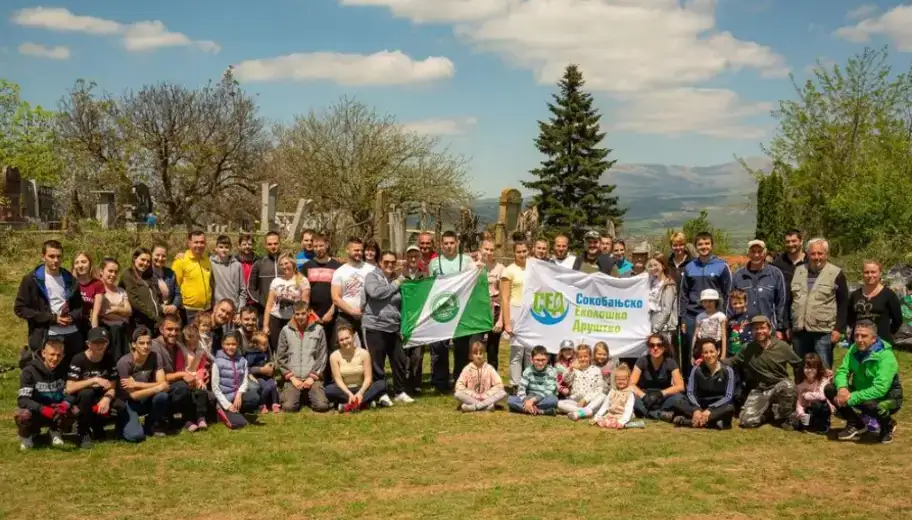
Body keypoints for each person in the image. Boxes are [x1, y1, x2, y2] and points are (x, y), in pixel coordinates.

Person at [827, 319, 902, 443]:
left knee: (873, 404)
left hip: (888, 398)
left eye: (864, 336)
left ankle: (887, 425)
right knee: (830, 389)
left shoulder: (886, 357)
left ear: (874, 338)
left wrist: (850, 398)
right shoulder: (853, 349)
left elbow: (880, 389)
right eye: (856, 335)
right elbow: (842, 371)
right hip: (861, 392)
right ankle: (856, 424)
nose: (859, 340)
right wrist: (842, 388)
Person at [15, 240, 85, 368]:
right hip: (46, 333)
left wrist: (72, 317)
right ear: (43, 257)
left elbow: (79, 307)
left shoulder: (70, 279)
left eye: (59, 256)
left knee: (73, 371)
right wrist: (52, 318)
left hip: (72, 332)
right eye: (51, 256)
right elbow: (20, 308)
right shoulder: (31, 280)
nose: (56, 260)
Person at [724, 315, 801, 429]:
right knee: (746, 421)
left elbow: (799, 364)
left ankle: (786, 417)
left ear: (769, 329)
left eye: (762, 328)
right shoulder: (748, 348)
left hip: (778, 387)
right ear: (752, 331)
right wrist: (714, 362)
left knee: (788, 386)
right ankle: (767, 412)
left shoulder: (782, 346)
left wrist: (822, 372)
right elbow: (733, 361)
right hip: (760, 390)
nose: (759, 331)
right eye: (756, 328)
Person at [428, 230, 477, 391]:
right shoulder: (435, 263)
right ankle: (440, 382)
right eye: (446, 243)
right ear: (442, 245)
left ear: (457, 243)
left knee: (461, 348)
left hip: (462, 310)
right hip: (441, 310)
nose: (449, 246)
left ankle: (460, 381)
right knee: (439, 347)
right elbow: (430, 286)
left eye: (452, 243)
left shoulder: (467, 261)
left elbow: (474, 281)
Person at [679, 232, 732, 376]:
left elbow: (728, 292)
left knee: (714, 350)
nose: (704, 247)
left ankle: (716, 380)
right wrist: (683, 318)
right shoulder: (689, 267)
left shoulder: (722, 266)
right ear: (695, 247)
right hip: (692, 315)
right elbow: (683, 294)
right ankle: (691, 382)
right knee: (692, 351)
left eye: (707, 243)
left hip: (714, 315)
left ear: (712, 245)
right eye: (700, 244)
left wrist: (726, 316)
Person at [790, 237, 848, 369]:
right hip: (800, 331)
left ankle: (824, 390)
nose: (816, 257)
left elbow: (843, 303)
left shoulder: (836, 273)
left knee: (823, 369)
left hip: (823, 331)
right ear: (807, 254)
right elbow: (790, 299)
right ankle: (801, 390)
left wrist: (838, 329)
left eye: (820, 253)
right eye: (813, 253)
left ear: (826, 254)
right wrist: (788, 325)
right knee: (800, 368)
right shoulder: (798, 271)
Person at [363, 251, 411, 404]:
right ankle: (380, 393)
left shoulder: (396, 279)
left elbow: (403, 303)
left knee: (399, 360)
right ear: (379, 263)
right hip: (375, 325)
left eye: (393, 262)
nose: (390, 265)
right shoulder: (372, 277)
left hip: (394, 327)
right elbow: (376, 293)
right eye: (386, 262)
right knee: (377, 363)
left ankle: (399, 392)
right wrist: (396, 284)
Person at [66, 327, 122, 448]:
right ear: (88, 344)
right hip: (81, 399)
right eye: (96, 342)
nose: (100, 345)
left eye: (103, 342)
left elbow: (112, 387)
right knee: (87, 393)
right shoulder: (79, 359)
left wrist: (106, 398)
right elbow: (69, 388)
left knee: (120, 404)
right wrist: (94, 380)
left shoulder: (109, 358)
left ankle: (100, 427)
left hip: (101, 397)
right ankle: (83, 431)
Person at [15, 338, 74, 450]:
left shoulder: (66, 370)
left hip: (56, 410)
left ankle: (55, 432)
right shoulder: (29, 371)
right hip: (37, 410)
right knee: (21, 414)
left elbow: (73, 393)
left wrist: (65, 404)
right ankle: (27, 436)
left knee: (75, 409)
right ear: (43, 353)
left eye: (59, 355)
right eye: (52, 354)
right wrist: (41, 408)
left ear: (63, 355)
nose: (55, 358)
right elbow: (22, 400)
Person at [117, 327, 170, 442]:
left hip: (146, 398)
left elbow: (163, 384)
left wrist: (137, 384)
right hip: (129, 403)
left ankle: (152, 423)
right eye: (141, 343)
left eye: (148, 343)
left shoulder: (156, 356)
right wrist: (158, 387)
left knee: (162, 396)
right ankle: (123, 424)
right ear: (134, 345)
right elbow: (133, 395)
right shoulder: (124, 362)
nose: (146, 346)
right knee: (136, 437)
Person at [276, 301, 332, 412]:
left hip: (312, 378)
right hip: (293, 378)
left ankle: (307, 395)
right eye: (297, 314)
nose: (300, 317)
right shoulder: (285, 331)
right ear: (293, 314)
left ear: (309, 313)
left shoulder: (319, 330)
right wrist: (292, 378)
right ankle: (296, 394)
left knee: (322, 406)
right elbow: (281, 357)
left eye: (303, 313)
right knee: (288, 407)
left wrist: (312, 377)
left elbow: (322, 356)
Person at [672, 339, 735, 429]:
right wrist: (697, 409)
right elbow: (690, 392)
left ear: (718, 352)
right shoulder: (696, 369)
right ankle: (712, 422)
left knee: (729, 408)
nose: (709, 355)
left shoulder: (728, 370)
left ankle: (689, 422)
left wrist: (710, 409)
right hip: (700, 404)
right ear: (702, 354)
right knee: (678, 401)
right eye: (705, 352)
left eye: (712, 352)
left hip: (718, 406)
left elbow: (728, 396)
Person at [149, 313, 196, 431]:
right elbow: (159, 378)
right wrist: (182, 375)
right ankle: (162, 418)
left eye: (177, 330)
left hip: (171, 383)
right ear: (161, 329)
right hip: (155, 386)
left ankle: (189, 419)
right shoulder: (155, 346)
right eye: (169, 329)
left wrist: (198, 373)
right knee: (182, 388)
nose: (174, 333)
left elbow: (189, 363)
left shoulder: (176, 345)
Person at [731, 240, 787, 337]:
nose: (756, 255)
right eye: (753, 251)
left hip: (767, 329)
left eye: (759, 251)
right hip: (743, 328)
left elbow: (781, 303)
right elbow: (730, 302)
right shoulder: (738, 275)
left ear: (765, 253)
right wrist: (730, 324)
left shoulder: (776, 274)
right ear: (748, 253)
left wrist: (780, 328)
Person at [325, 325, 388, 412]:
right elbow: (338, 379)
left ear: (353, 337)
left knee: (382, 384)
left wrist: (360, 393)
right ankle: (364, 403)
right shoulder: (334, 356)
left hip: (362, 388)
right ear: (338, 341)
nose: (345, 341)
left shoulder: (364, 353)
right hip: (345, 390)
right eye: (341, 340)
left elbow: (368, 378)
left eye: (347, 338)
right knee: (328, 390)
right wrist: (349, 393)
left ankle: (347, 406)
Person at [331, 237, 375, 348]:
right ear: (347, 250)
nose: (359, 253)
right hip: (345, 316)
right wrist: (352, 311)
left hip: (367, 315)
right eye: (356, 250)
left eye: (361, 250)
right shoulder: (339, 272)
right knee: (344, 348)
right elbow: (335, 297)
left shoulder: (371, 269)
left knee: (369, 348)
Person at [263, 252, 311, 353]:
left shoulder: (302, 280)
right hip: (275, 318)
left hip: (293, 319)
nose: (284, 266)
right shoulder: (276, 281)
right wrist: (265, 325)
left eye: (286, 263)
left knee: (293, 349)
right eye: (281, 264)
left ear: (293, 263)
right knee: (278, 348)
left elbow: (304, 305)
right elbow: (269, 305)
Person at [630, 334, 685, 420]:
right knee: (630, 395)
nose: (655, 348)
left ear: (664, 347)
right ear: (648, 347)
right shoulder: (642, 361)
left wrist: (661, 393)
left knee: (679, 397)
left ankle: (647, 413)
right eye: (652, 345)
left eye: (659, 345)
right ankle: (658, 414)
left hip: (663, 396)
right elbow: (631, 385)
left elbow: (680, 386)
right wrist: (643, 396)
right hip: (645, 396)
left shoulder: (670, 362)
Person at [212, 331, 261, 429]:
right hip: (224, 398)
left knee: (254, 397)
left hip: (236, 396)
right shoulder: (217, 363)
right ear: (222, 344)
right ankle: (223, 411)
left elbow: (245, 381)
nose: (230, 347)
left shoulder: (242, 361)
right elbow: (215, 387)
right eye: (227, 344)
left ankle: (237, 411)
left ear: (238, 345)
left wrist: (239, 394)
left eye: (233, 344)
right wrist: (227, 405)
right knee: (240, 424)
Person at [301, 233, 342, 348]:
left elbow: (340, 293)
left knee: (333, 348)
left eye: (321, 245)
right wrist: (311, 313)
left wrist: (331, 312)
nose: (318, 249)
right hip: (312, 315)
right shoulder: (306, 266)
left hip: (333, 315)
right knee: (315, 348)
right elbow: (303, 294)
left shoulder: (337, 266)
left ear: (327, 245)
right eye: (316, 246)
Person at [847, 259, 901, 345]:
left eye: (873, 272)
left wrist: (887, 333)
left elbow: (897, 320)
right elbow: (850, 318)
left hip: (881, 342)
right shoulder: (855, 295)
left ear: (880, 273)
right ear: (863, 274)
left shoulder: (889, 295)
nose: (870, 275)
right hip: (858, 341)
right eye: (866, 272)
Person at [502, 240, 530, 390]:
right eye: (519, 252)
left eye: (524, 251)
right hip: (515, 310)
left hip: (531, 311)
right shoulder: (508, 271)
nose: (522, 254)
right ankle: (515, 384)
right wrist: (507, 322)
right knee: (517, 351)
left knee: (530, 351)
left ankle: (528, 383)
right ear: (514, 253)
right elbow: (505, 298)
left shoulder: (533, 268)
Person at [772, 229, 807, 339]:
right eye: (788, 241)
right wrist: (779, 326)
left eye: (794, 241)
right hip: (783, 316)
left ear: (801, 241)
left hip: (804, 316)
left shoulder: (810, 261)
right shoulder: (778, 263)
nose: (791, 244)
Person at [454, 341, 508, 412]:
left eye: (481, 353)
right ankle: (487, 407)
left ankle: (474, 407)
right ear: (471, 355)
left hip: (486, 397)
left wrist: (487, 395)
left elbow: (499, 385)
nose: (478, 356)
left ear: (484, 355)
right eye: (476, 354)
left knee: (503, 393)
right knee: (457, 394)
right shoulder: (467, 368)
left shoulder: (489, 368)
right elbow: (458, 386)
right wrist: (473, 394)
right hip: (472, 398)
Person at [177, 321, 212, 432]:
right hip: (185, 378)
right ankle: (188, 420)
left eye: (195, 343)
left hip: (197, 377)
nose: (192, 346)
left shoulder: (200, 352)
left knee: (201, 392)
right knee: (187, 395)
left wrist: (200, 379)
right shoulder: (181, 352)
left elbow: (201, 367)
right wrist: (188, 378)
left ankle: (200, 417)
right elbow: (179, 368)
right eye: (189, 344)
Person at [171, 231, 213, 321]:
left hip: (207, 310)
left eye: (202, 242)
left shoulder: (207, 260)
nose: (199, 245)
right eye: (196, 242)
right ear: (189, 243)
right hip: (189, 311)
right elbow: (175, 285)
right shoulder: (180, 261)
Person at [558, 344, 607, 421]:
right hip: (576, 403)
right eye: (580, 357)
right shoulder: (574, 370)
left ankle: (584, 411)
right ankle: (587, 412)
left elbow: (599, 389)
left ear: (590, 357)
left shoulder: (596, 370)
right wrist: (570, 368)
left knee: (603, 396)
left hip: (590, 402)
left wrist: (585, 400)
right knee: (559, 404)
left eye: (585, 356)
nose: (583, 359)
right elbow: (565, 379)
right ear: (576, 358)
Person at [402, 245, 427, 394]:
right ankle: (405, 382)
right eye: (410, 256)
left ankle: (416, 382)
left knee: (417, 354)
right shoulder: (400, 274)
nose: (413, 259)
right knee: (405, 353)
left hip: (419, 320)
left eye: (415, 256)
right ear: (406, 257)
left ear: (419, 258)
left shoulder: (424, 276)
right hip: (404, 318)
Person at [122, 247, 164, 334]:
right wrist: (153, 315)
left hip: (156, 323)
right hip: (140, 323)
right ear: (135, 258)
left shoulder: (149, 277)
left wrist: (161, 312)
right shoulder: (128, 275)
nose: (145, 263)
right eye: (143, 260)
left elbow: (158, 296)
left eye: (148, 261)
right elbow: (135, 301)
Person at [507, 346, 558, 415]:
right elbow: (521, 389)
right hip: (529, 397)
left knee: (553, 400)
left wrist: (533, 400)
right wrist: (527, 401)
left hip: (543, 398)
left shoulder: (552, 371)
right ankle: (543, 411)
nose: (540, 363)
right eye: (537, 360)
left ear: (547, 359)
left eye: (543, 360)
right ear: (531, 359)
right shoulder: (528, 371)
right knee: (510, 400)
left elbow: (549, 391)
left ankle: (525, 409)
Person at [97, 258, 132, 361]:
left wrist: (114, 309)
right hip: (108, 330)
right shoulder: (99, 290)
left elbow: (129, 311)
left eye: (116, 272)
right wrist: (121, 309)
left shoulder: (121, 291)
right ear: (101, 271)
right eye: (110, 271)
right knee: (115, 329)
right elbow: (104, 313)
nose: (113, 275)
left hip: (124, 329)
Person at [479, 239, 505, 370]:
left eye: (491, 250)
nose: (488, 252)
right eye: (486, 249)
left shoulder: (500, 268)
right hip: (477, 310)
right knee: (476, 346)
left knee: (492, 347)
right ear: (481, 249)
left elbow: (504, 296)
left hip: (494, 309)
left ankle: (492, 377)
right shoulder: (473, 266)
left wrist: (501, 319)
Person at [795, 353, 833, 433]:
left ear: (818, 368)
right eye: (807, 368)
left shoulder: (823, 380)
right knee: (799, 424)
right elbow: (800, 402)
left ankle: (824, 424)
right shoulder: (801, 385)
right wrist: (801, 413)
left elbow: (822, 396)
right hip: (809, 408)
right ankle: (812, 422)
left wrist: (806, 395)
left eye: (813, 368)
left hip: (823, 407)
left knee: (817, 403)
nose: (809, 370)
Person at [249, 231, 282, 317]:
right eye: (270, 244)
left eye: (275, 243)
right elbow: (250, 288)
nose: (273, 246)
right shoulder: (259, 263)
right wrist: (261, 301)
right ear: (265, 245)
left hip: (284, 312)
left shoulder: (287, 262)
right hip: (263, 311)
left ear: (280, 244)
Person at [246, 331, 280, 414]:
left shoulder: (265, 352)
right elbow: (248, 367)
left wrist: (272, 366)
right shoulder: (252, 354)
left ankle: (275, 404)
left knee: (273, 385)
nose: (266, 346)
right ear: (256, 345)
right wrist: (255, 374)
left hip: (267, 376)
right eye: (263, 344)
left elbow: (269, 361)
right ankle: (262, 404)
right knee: (266, 388)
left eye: (266, 344)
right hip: (258, 377)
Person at [592, 364, 636, 429]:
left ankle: (620, 423)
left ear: (628, 380)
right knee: (601, 420)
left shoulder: (629, 393)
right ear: (615, 380)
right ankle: (609, 422)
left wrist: (622, 421)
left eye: (623, 379)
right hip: (612, 414)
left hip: (623, 415)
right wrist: (597, 416)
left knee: (611, 423)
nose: (621, 381)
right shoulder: (612, 391)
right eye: (618, 379)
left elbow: (628, 409)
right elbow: (605, 405)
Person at [647, 255, 677, 343]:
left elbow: (667, 310)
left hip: (664, 326)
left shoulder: (669, 284)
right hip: (652, 322)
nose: (653, 268)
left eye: (656, 265)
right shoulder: (653, 283)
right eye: (651, 266)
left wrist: (656, 329)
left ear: (663, 266)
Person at [210, 235, 245, 311]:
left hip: (234, 307)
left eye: (226, 247)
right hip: (217, 307)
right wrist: (182, 255)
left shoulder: (237, 265)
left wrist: (240, 310)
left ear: (230, 248)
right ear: (216, 248)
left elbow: (243, 290)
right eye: (221, 247)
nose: (224, 250)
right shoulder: (211, 264)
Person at [73, 251, 103, 339]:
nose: (80, 265)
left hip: (85, 323)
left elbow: (95, 314)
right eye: (77, 263)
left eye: (83, 262)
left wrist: (95, 335)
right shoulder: (70, 282)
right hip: (70, 323)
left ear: (90, 264)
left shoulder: (97, 284)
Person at [693, 289, 727, 363]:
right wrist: (692, 354)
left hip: (716, 345)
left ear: (716, 302)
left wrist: (723, 354)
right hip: (702, 346)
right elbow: (695, 335)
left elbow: (724, 336)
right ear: (702, 303)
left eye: (710, 301)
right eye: (705, 301)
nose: (708, 304)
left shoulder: (720, 316)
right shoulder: (700, 316)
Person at [150, 244, 182, 318]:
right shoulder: (146, 273)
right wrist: (161, 307)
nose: (160, 258)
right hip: (153, 313)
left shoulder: (171, 273)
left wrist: (174, 305)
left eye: (163, 256)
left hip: (170, 313)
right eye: (157, 255)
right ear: (151, 254)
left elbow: (178, 293)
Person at [726, 289, 752, 357]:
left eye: (740, 302)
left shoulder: (752, 316)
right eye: (735, 303)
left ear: (746, 302)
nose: (738, 305)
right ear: (731, 304)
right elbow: (729, 336)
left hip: (749, 353)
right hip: (733, 354)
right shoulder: (730, 320)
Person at [236, 234, 259, 309]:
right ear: (239, 246)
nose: (247, 246)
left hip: (254, 300)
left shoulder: (258, 261)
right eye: (244, 244)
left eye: (249, 244)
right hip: (237, 300)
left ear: (253, 246)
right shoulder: (234, 261)